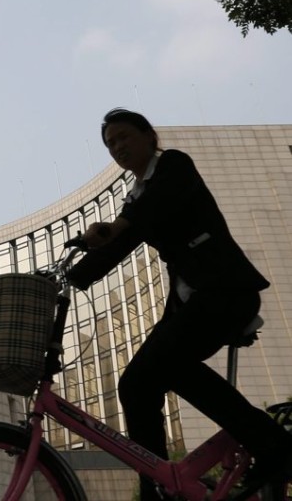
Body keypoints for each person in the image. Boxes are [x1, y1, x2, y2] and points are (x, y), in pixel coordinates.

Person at [67, 108, 292, 500]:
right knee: (137, 384)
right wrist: (68, 278)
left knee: (164, 365)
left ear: (149, 136)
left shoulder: (173, 166)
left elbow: (152, 209)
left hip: (226, 291)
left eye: (124, 137)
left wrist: (115, 227)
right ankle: (157, 484)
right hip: (195, 303)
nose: (117, 147)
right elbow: (121, 242)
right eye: (110, 144)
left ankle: (273, 444)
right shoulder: (136, 198)